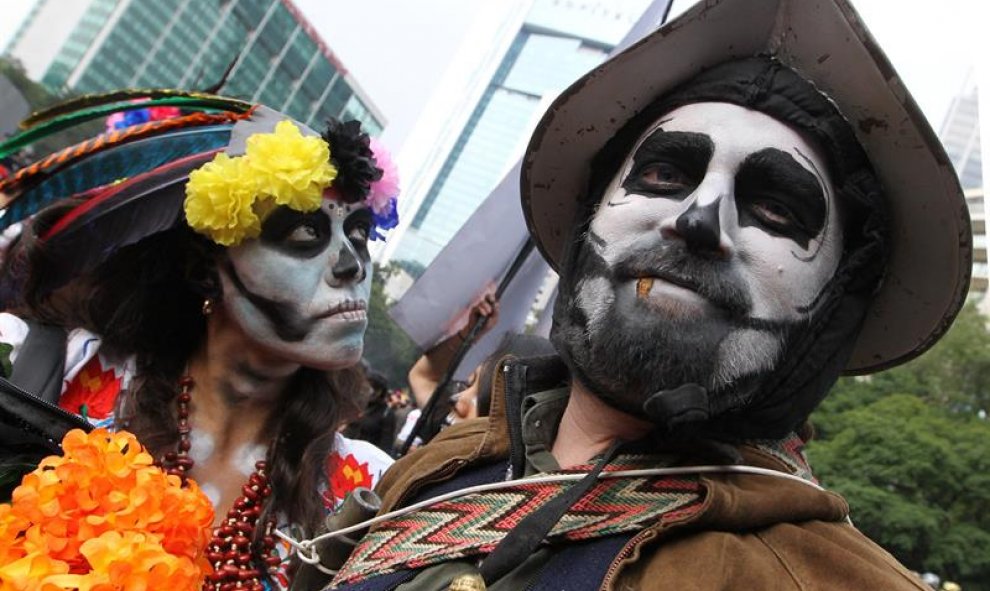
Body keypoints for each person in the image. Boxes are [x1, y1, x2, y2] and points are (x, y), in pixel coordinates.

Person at [324, 0, 967, 589]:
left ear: (834, 300)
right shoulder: (440, 470)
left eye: (774, 208)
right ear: (589, 218)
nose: (698, 219)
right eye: (664, 173)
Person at [0, 93, 400, 590]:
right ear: (204, 271)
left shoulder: (375, 492)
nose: (351, 265)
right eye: (303, 234)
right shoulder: (45, 370)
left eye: (359, 236)